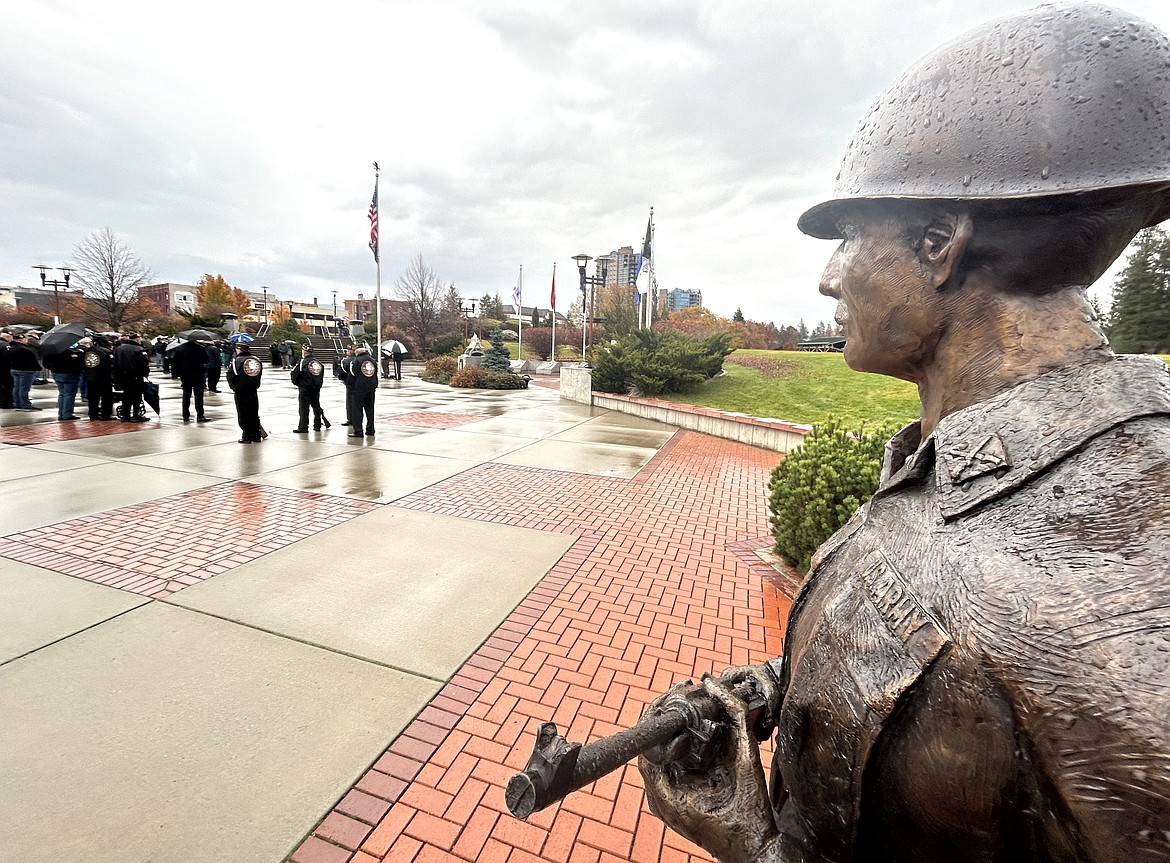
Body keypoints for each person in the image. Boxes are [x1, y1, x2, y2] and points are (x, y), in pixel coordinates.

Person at [638, 6, 1170, 863]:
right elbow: (946, 701)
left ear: (937, 246)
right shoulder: (957, 463)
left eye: (851, 235)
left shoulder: (1116, 598)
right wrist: (791, 686)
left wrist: (752, 845)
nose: (826, 275)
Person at [226, 341, 263, 443]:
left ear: (239, 349)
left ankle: (247, 435)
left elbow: (231, 375)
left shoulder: (236, 361)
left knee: (243, 414)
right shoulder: (257, 360)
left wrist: (234, 387)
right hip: (253, 389)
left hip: (241, 390)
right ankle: (256, 435)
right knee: (254, 412)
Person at [113, 333, 150, 423]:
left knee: (126, 396)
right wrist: (145, 374)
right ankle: (136, 415)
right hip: (136, 376)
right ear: (137, 339)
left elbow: (115, 363)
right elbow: (144, 363)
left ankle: (126, 415)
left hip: (122, 376)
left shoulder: (119, 348)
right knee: (137, 396)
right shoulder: (139, 349)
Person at [290, 344, 326, 432]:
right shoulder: (318, 362)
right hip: (316, 388)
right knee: (316, 407)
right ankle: (317, 425)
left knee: (304, 409)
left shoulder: (303, 362)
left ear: (304, 352)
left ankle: (303, 426)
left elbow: (295, 374)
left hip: (305, 389)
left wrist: (298, 383)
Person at [172, 337, 209, 423]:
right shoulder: (199, 348)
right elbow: (206, 360)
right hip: (198, 374)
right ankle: (200, 415)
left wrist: (179, 373)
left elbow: (175, 362)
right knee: (199, 396)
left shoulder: (180, 348)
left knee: (186, 395)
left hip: (185, 374)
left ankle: (185, 415)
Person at [45, 340, 84, 421]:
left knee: (62, 394)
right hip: (69, 373)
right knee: (69, 394)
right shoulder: (68, 353)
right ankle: (67, 414)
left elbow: (45, 363)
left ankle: (61, 413)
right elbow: (75, 362)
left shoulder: (51, 352)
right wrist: (79, 354)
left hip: (56, 373)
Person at [346, 344, 378, 438]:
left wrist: (350, 385)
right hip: (371, 388)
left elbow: (351, 375)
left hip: (358, 389)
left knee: (357, 410)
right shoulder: (372, 360)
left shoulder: (355, 361)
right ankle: (370, 429)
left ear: (357, 351)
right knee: (370, 409)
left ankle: (358, 431)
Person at [80, 336, 115, 421]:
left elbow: (83, 363)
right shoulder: (106, 351)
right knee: (106, 397)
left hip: (90, 377)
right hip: (104, 377)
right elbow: (112, 364)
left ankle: (93, 414)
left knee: (93, 397)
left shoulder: (87, 351)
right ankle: (106, 414)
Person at [8, 332, 41, 410]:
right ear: (21, 339)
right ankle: (25, 404)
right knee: (24, 388)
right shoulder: (25, 350)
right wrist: (38, 368)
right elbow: (32, 361)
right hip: (26, 370)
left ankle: (17, 403)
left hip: (14, 369)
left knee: (16, 388)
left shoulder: (10, 348)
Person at [337, 345, 357, 426]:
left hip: (350, 385)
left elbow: (341, 373)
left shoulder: (346, 361)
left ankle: (350, 419)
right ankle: (357, 419)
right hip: (360, 385)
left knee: (350, 403)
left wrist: (345, 380)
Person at [0, 330, 13, 409]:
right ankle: (6, 403)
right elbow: (7, 358)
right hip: (4, 369)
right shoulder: (5, 346)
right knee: (7, 387)